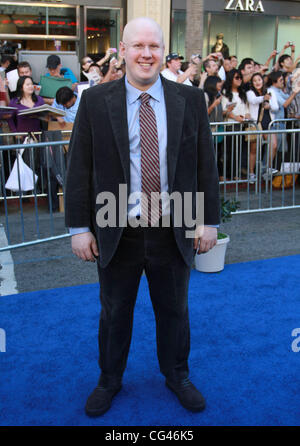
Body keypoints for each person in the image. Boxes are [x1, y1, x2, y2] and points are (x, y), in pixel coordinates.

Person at [65, 17, 220, 417]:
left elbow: (205, 165)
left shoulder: (189, 100)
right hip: (117, 226)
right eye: (138, 46)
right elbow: (79, 166)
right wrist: (80, 228)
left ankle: (177, 374)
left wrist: (209, 221)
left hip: (174, 226)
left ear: (163, 51)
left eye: (154, 46)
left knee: (175, 311)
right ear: (123, 49)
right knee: (115, 313)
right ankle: (109, 380)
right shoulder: (96, 101)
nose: (146, 54)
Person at [247, 72, 278, 181]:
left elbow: (276, 107)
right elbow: (253, 100)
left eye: (259, 80)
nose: (257, 82)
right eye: (254, 81)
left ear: (263, 80)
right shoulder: (250, 92)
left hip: (268, 122)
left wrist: (269, 106)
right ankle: (251, 173)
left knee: (273, 145)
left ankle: (266, 169)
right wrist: (263, 98)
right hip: (256, 123)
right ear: (252, 83)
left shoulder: (270, 91)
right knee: (254, 149)